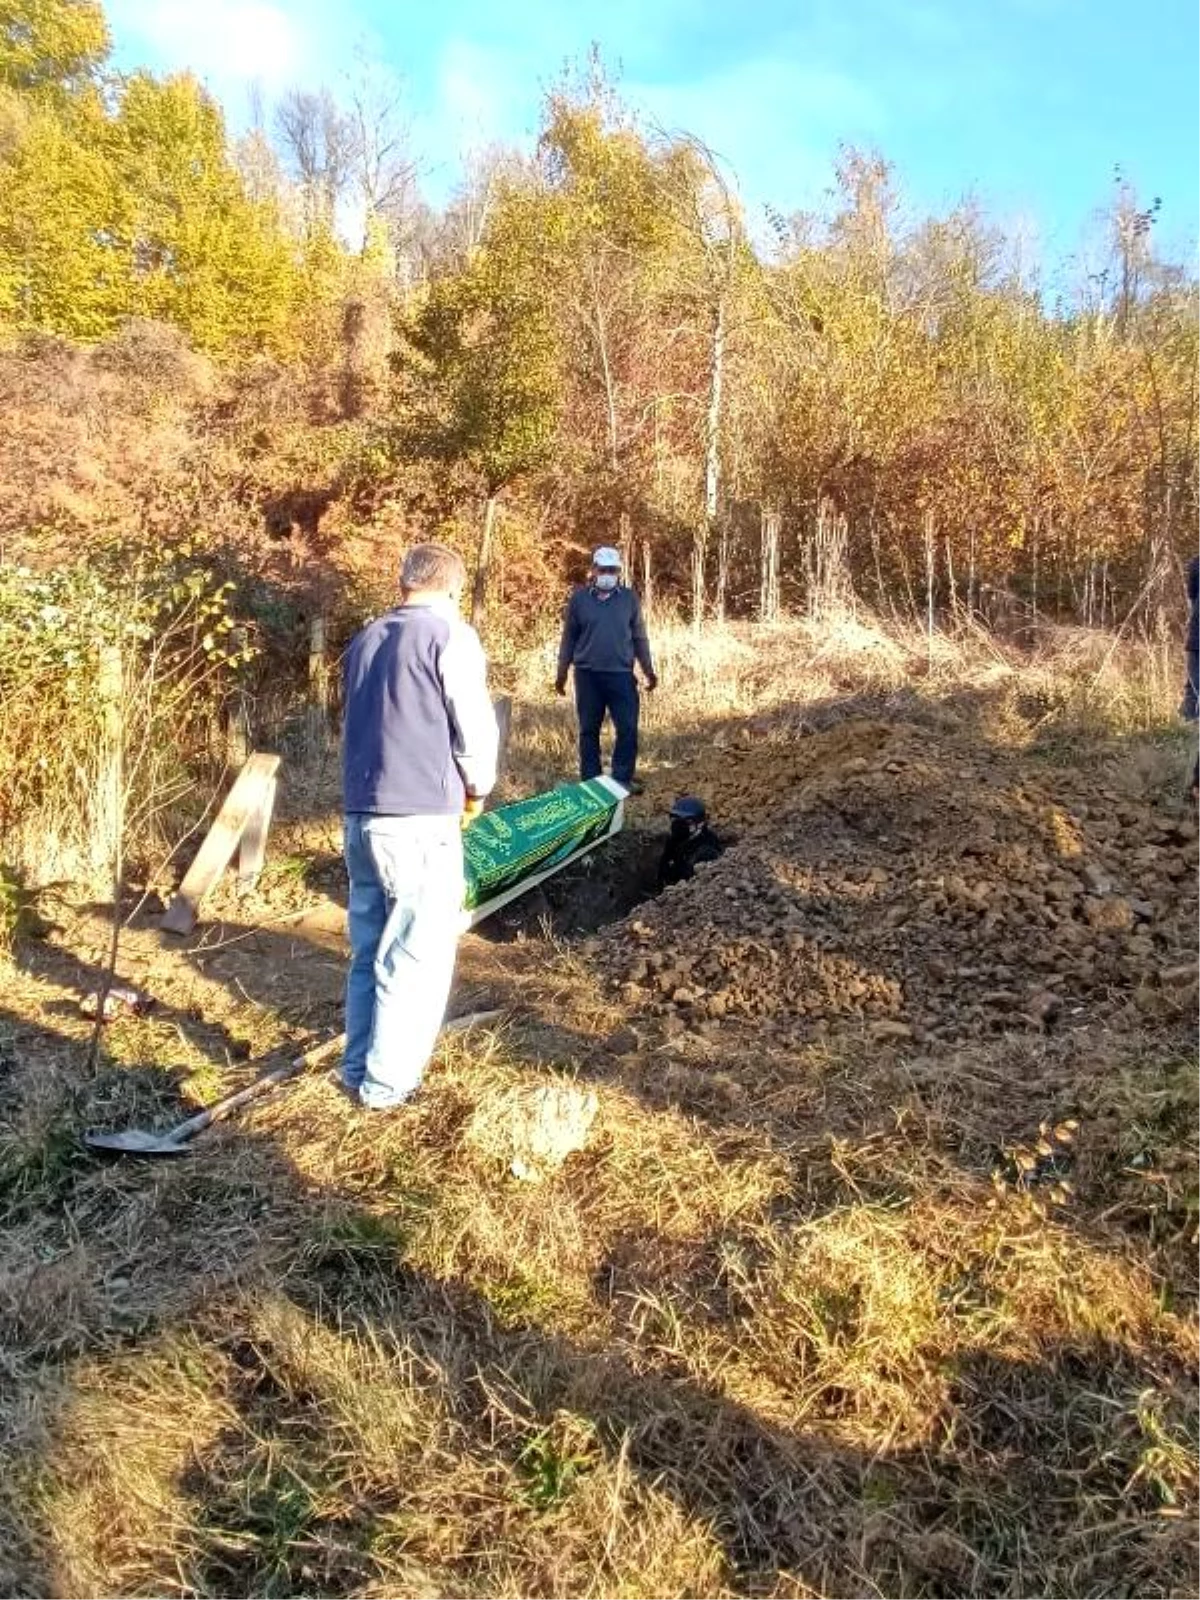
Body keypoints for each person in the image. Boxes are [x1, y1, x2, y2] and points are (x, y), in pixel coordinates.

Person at [340, 543, 499, 1110]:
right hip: (419, 819)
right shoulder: (449, 636)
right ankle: (388, 1088)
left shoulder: (365, 639)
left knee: (368, 951)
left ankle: (356, 1069)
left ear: (404, 584)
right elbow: (473, 727)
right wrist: (478, 789)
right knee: (415, 956)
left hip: (361, 816)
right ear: (453, 589)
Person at [556, 546, 657, 793]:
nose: (608, 575)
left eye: (613, 571)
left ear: (619, 572)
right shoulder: (579, 600)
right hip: (587, 675)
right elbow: (569, 638)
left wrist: (648, 669)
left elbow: (639, 637)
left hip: (621, 674)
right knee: (588, 729)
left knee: (627, 727)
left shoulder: (628, 599)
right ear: (593, 570)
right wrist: (561, 673)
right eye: (603, 570)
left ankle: (622, 778)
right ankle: (591, 781)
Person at [657, 795, 725, 889]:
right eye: (675, 819)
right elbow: (663, 868)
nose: (679, 825)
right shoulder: (674, 840)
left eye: (687, 821)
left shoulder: (707, 850)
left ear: (701, 823)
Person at [1184, 553, 1200, 721]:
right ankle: (1191, 719)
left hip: (1197, 633)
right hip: (1198, 634)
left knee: (1195, 682)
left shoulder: (1196, 564)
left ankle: (1191, 719)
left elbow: (1192, 596)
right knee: (1195, 682)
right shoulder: (1196, 564)